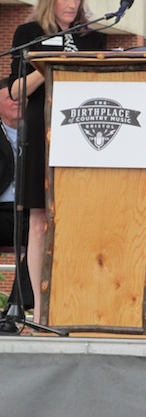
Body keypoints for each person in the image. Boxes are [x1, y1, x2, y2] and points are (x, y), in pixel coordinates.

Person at [8, 0, 106, 321]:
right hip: (40, 128)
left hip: (82, 128)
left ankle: (74, 300)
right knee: (39, 220)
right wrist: (45, 66)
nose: (72, 3)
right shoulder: (29, 33)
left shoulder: (93, 38)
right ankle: (37, 308)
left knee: (75, 217)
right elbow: (16, 90)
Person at [0, 78, 33, 333]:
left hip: (30, 211)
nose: (17, 101)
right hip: (1, 210)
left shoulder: (39, 133)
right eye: (11, 96)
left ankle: (14, 310)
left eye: (22, 96)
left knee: (42, 237)